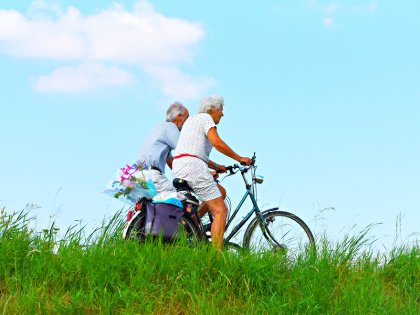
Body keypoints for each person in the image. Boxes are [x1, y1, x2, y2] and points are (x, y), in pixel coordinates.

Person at [172, 95, 252, 250]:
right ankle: (215, 259)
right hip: (193, 167)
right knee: (221, 210)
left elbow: (193, 151)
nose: (222, 114)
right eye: (221, 109)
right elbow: (217, 142)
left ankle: (192, 225)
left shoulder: (192, 121)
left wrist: (216, 166)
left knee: (220, 191)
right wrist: (239, 158)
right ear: (212, 109)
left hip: (181, 166)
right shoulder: (206, 118)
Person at [137, 102, 189, 193]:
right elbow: (186, 152)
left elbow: (171, 162)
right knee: (181, 201)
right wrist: (205, 172)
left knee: (155, 206)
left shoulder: (159, 127)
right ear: (179, 117)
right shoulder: (171, 127)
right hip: (152, 176)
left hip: (139, 176)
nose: (188, 122)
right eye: (187, 118)